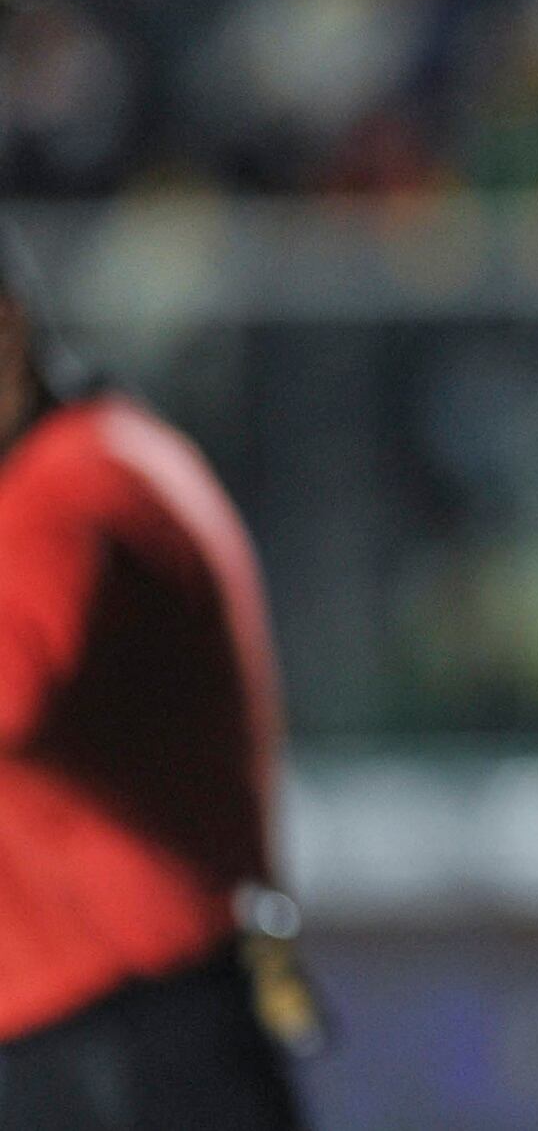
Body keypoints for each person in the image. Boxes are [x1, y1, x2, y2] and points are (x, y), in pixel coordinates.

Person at [0, 230, 310, 1130]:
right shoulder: (105, 459)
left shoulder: (77, 482)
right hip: (124, 1026)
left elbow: (12, 691)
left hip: (122, 1041)